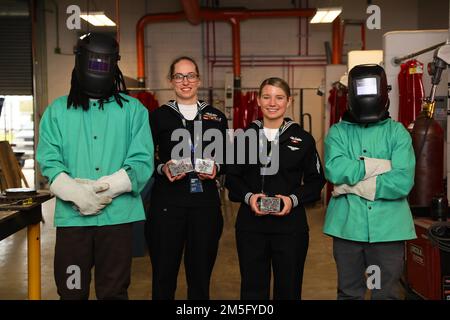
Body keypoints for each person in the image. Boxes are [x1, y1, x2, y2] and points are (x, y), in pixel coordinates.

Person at [36, 33, 154, 300]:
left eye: (105, 63)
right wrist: (76, 193)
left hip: (117, 221)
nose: (99, 68)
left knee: (113, 291)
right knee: (72, 290)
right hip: (73, 221)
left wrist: (105, 189)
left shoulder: (134, 111)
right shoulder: (58, 111)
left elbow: (142, 160)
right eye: (94, 62)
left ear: (114, 65)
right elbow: (49, 160)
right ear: (80, 62)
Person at [225, 77, 325, 300]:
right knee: (252, 291)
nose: (273, 102)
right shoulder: (243, 138)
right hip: (251, 228)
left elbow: (316, 181)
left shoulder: (303, 139)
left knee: (288, 290)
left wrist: (292, 199)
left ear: (288, 101)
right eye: (267, 97)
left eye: (279, 97)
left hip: (290, 229)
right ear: (258, 101)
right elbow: (231, 178)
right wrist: (250, 197)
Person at [323, 64, 416, 300]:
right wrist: (380, 166)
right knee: (349, 293)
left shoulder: (397, 133)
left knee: (385, 294)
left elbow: (402, 181)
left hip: (388, 231)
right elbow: (335, 171)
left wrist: (351, 185)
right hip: (347, 229)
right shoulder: (338, 133)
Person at [146, 56, 228, 300]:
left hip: (205, 205)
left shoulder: (216, 117)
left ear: (198, 79)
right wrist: (162, 168)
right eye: (179, 76)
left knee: (200, 278)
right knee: (163, 276)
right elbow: (143, 159)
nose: (185, 81)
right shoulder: (158, 116)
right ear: (171, 81)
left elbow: (229, 159)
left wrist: (217, 168)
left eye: (190, 75)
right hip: (167, 206)